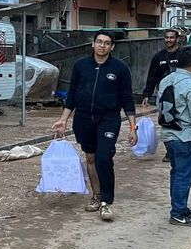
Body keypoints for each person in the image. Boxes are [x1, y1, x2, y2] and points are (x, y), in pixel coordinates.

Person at [52, 30, 137, 221]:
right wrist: (64, 119)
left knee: (104, 157)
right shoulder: (81, 66)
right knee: (90, 157)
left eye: (107, 43)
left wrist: (133, 128)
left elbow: (127, 99)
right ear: (93, 44)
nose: (102, 45)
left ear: (112, 47)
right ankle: (96, 196)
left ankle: (107, 202)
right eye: (99, 42)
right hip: (83, 119)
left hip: (108, 119)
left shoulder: (120, 68)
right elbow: (72, 94)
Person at [157, 46, 191, 226]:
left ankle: (180, 208)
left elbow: (159, 106)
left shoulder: (166, 80)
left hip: (169, 135)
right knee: (185, 175)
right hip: (185, 136)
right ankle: (178, 213)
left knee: (177, 173)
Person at [143, 29, 182, 162]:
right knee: (166, 122)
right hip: (164, 96)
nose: (169, 40)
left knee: (183, 121)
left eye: (172, 38)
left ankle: (183, 149)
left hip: (182, 94)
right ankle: (170, 152)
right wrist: (147, 94)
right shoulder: (159, 56)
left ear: (177, 39)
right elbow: (152, 76)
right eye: (166, 37)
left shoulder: (184, 54)